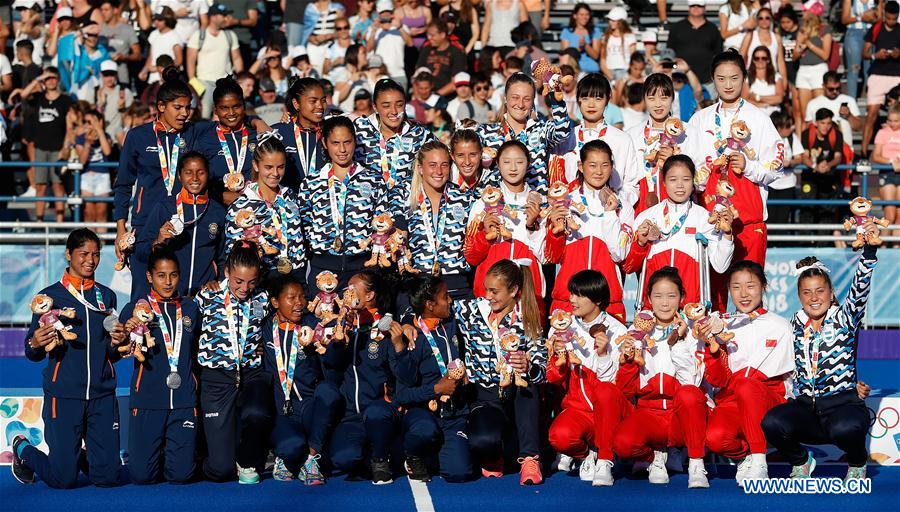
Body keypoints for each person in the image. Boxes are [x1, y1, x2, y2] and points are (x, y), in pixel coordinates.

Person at [12, 229, 125, 489]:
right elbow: (32, 352)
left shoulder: (107, 296)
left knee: (108, 478)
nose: (91, 260)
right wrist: (35, 342)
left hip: (101, 395)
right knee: (63, 479)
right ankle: (23, 449)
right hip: (64, 395)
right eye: (83, 254)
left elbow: (110, 353)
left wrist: (117, 344)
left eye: (96, 254)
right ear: (68, 254)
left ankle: (82, 458)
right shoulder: (48, 298)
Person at [762, 244, 879, 481]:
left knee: (845, 429)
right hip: (807, 410)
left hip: (843, 407)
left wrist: (869, 253)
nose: (814, 298)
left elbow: (860, 290)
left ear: (831, 292)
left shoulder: (845, 318)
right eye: (807, 292)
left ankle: (857, 462)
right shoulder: (793, 324)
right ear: (799, 296)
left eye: (820, 291)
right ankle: (801, 461)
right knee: (772, 422)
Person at [689, 49, 784, 310]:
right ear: (713, 79)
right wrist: (702, 175)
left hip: (748, 222)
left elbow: (777, 168)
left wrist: (749, 166)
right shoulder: (699, 120)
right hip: (711, 220)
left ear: (744, 78)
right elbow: (688, 170)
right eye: (721, 79)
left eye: (734, 78)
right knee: (712, 298)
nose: (728, 85)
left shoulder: (759, 119)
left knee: (749, 294)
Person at [611, 267, 710, 488]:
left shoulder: (693, 331)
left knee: (689, 394)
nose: (665, 303)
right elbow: (626, 388)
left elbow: (691, 384)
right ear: (648, 298)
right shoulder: (637, 331)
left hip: (681, 417)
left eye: (671, 296)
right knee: (623, 443)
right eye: (658, 296)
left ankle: (695, 462)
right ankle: (653, 455)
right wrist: (627, 360)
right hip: (650, 414)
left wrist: (679, 341)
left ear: (682, 298)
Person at [455, 259, 547, 485]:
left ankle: (529, 458)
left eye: (494, 291)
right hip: (485, 395)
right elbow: (439, 308)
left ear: (513, 290)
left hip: (517, 396)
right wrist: (407, 321)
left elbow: (542, 370)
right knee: (483, 441)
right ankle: (496, 451)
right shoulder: (471, 310)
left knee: (528, 387)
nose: (488, 296)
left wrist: (529, 367)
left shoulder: (528, 317)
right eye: (486, 289)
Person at [704, 260, 795, 485]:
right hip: (733, 401)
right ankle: (744, 457)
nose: (743, 294)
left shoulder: (781, 326)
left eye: (750, 286)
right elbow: (718, 379)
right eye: (736, 287)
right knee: (715, 439)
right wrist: (712, 349)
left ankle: (759, 461)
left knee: (747, 385)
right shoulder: (721, 326)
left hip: (769, 399)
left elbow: (794, 373)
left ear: (763, 286)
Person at [120, 248, 201, 485]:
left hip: (183, 401)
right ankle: (157, 453)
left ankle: (172, 454)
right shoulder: (135, 310)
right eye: (161, 275)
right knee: (142, 477)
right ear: (149, 277)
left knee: (182, 476)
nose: (168, 282)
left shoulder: (190, 308)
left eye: (173, 275)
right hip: (148, 400)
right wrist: (124, 334)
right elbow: (119, 348)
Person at [115, 69, 197, 301]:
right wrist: (121, 228)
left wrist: (257, 121)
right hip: (145, 224)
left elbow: (228, 124)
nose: (184, 114)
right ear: (161, 106)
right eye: (178, 108)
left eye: (187, 108)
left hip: (182, 224)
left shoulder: (193, 133)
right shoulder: (138, 136)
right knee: (143, 296)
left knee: (179, 294)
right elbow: (123, 184)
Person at [195, 240, 272, 483]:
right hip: (217, 379)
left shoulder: (263, 298)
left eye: (251, 281)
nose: (245, 288)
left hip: (251, 374)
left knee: (257, 413)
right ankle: (202, 457)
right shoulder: (207, 295)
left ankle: (248, 460)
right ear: (227, 271)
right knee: (220, 470)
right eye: (238, 281)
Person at [545, 269, 628, 486]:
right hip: (579, 409)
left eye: (579, 295)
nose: (572, 299)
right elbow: (553, 378)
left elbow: (613, 385)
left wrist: (603, 355)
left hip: (609, 411)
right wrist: (558, 360)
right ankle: (587, 454)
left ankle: (605, 458)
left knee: (605, 393)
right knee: (560, 437)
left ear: (598, 299)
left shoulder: (617, 330)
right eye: (572, 293)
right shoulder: (561, 328)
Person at [389, 275, 473, 482]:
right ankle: (411, 452)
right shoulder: (411, 339)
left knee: (459, 473)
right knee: (424, 431)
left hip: (453, 414)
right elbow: (401, 396)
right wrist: (436, 389)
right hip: (423, 413)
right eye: (445, 297)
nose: (451, 300)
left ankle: (434, 455)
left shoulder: (451, 322)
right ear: (430, 305)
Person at [623, 155, 734, 308]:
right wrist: (641, 243)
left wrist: (727, 235)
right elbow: (630, 267)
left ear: (693, 182)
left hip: (691, 307)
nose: (680, 185)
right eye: (673, 179)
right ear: (663, 182)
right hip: (655, 308)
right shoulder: (646, 216)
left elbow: (720, 266)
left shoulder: (704, 218)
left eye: (686, 179)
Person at [263, 274, 342, 484]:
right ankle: (286, 456)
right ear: (275, 302)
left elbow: (333, 361)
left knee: (329, 391)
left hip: (309, 407)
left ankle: (311, 458)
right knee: (292, 447)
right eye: (291, 298)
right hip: (281, 410)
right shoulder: (265, 328)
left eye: (302, 297)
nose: (299, 303)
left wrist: (333, 344)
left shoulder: (314, 325)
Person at [544, 140, 634, 323]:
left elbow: (619, 254)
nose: (599, 171)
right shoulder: (564, 202)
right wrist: (555, 232)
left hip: (607, 302)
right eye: (592, 165)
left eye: (605, 165)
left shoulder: (623, 207)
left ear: (612, 167)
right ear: (581, 166)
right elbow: (552, 257)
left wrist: (610, 214)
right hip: (568, 300)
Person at [325, 270, 399, 485]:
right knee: (343, 459)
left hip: (379, 409)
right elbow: (331, 365)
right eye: (346, 289)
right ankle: (369, 451)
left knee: (377, 413)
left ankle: (380, 458)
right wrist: (339, 339)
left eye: (352, 289)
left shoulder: (385, 326)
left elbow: (398, 371)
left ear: (369, 295)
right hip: (351, 415)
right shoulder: (344, 325)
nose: (347, 293)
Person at [298, 116, 386, 292]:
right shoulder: (311, 183)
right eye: (335, 143)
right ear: (325, 143)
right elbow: (305, 224)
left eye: (347, 142)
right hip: (323, 269)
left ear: (355, 142)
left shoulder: (373, 180)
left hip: (363, 268)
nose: (342, 149)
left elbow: (381, 221)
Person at [465, 140, 548, 310]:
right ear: (497, 164)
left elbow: (545, 257)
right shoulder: (482, 204)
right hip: (490, 294)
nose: (513, 168)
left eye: (519, 162)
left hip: (528, 293)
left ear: (528, 164)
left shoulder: (540, 204)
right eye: (507, 162)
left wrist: (532, 227)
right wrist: (485, 236)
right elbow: (471, 257)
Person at [137, 152, 226, 298]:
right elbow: (140, 253)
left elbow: (222, 257)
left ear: (208, 174)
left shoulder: (218, 212)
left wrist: (219, 281)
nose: (195, 178)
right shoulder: (165, 207)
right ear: (179, 176)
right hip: (172, 297)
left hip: (205, 296)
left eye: (201, 172)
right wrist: (158, 241)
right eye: (188, 173)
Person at [224, 133, 306, 278]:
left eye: (280, 167)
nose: (275, 173)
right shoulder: (240, 206)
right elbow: (233, 256)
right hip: (264, 278)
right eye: (268, 167)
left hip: (297, 275)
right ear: (256, 165)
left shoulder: (291, 196)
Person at [555, 73, 642, 209]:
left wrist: (615, 201)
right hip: (573, 211)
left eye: (598, 98)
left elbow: (631, 185)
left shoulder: (622, 139)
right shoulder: (566, 137)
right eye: (585, 98)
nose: (591, 104)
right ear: (578, 99)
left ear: (608, 99)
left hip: (611, 212)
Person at [401, 140, 475, 297]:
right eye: (432, 165)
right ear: (420, 168)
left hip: (457, 286)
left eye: (444, 165)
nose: (439, 171)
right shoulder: (405, 198)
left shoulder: (465, 198)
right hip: (420, 288)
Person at [477, 73, 570, 195]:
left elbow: (562, 132)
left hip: (536, 202)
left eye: (527, 99)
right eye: (515, 97)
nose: (520, 105)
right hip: (497, 204)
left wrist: (556, 98)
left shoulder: (541, 130)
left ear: (533, 102)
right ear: (505, 98)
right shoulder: (485, 132)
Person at [628, 73, 706, 216]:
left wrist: (675, 162)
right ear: (644, 99)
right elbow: (628, 181)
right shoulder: (632, 135)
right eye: (651, 98)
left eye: (664, 97)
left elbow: (702, 176)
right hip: (644, 206)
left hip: (681, 207)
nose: (658, 104)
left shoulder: (689, 132)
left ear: (672, 98)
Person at [354, 78, 435, 211]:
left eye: (399, 104)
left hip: (405, 210)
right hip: (365, 208)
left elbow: (443, 158)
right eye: (386, 106)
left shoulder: (419, 134)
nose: (394, 111)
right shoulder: (359, 129)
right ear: (375, 107)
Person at [18, 67, 74, 223]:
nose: (50, 81)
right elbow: (23, 95)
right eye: (47, 78)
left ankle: (60, 221)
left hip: (58, 149)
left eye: (53, 77)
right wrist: (39, 78)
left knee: (58, 185)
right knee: (40, 186)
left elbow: (70, 127)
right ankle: (39, 221)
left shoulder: (66, 100)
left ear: (58, 79)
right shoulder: (39, 97)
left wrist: (65, 147)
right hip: (40, 148)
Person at [186, 3, 243, 120]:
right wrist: (193, 82)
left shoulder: (230, 35)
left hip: (226, 83)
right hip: (204, 83)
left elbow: (237, 58)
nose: (226, 18)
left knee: (227, 115)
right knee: (205, 116)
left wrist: (240, 79)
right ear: (213, 17)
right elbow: (190, 60)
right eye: (223, 15)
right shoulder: (198, 35)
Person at [271, 77, 327, 190]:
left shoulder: (330, 131)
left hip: (323, 198)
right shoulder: (278, 133)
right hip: (288, 199)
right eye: (313, 101)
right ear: (296, 104)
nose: (320, 106)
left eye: (323, 100)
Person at [861, 0, 900, 156]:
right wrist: (875, 55)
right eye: (889, 18)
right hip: (877, 75)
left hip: (896, 76)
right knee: (871, 114)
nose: (891, 21)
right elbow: (864, 53)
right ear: (884, 15)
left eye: (894, 19)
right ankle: (863, 153)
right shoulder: (876, 28)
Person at [667, 0, 723, 99]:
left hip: (707, 82)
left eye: (699, 5)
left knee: (708, 109)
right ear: (688, 7)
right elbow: (669, 53)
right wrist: (674, 69)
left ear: (704, 8)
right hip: (681, 83)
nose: (696, 8)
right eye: (693, 5)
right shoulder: (677, 27)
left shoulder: (712, 28)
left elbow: (719, 55)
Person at [794, 8, 832, 127]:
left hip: (819, 70)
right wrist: (800, 44)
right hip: (803, 71)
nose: (802, 14)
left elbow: (825, 55)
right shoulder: (802, 30)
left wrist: (809, 44)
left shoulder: (824, 29)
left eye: (805, 11)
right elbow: (794, 56)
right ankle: (806, 138)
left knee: (820, 112)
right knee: (805, 115)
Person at [75, 110, 113, 226]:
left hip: (103, 176)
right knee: (88, 212)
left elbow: (107, 151)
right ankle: (89, 237)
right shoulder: (80, 138)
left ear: (99, 122)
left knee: (101, 212)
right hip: (86, 176)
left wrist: (99, 131)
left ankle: (102, 237)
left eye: (90, 122)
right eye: (85, 121)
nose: (87, 125)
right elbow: (82, 161)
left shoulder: (106, 136)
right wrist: (87, 143)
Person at [804, 71, 863, 144]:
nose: (835, 92)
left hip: (845, 147)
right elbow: (808, 130)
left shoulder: (849, 100)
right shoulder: (813, 104)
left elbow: (858, 127)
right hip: (821, 147)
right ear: (823, 86)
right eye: (831, 89)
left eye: (838, 88)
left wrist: (849, 115)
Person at [842, 0, 882, 100]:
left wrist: (873, 17)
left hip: (872, 34)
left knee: (870, 71)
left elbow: (881, 18)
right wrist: (861, 18)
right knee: (854, 69)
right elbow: (844, 19)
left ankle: (871, 101)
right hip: (854, 33)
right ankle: (851, 102)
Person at [416, 20, 467, 96]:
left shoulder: (457, 51)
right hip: (424, 94)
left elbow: (454, 82)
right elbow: (417, 76)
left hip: (446, 96)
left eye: (432, 35)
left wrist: (435, 97)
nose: (429, 38)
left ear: (442, 35)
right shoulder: (426, 48)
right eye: (428, 35)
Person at [873, 102, 900, 241]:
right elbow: (876, 156)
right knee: (890, 214)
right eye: (890, 120)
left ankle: (896, 247)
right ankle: (883, 246)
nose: (892, 124)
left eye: (896, 121)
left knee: (899, 217)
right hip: (887, 173)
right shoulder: (883, 132)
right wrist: (891, 161)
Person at [98, 0, 141, 86]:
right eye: (101, 10)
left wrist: (124, 57)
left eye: (106, 10)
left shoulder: (127, 29)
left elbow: (138, 55)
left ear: (115, 10)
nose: (103, 13)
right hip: (102, 79)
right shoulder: (98, 30)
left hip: (121, 78)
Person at [740, 7, 788, 80]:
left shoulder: (777, 38)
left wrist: (784, 80)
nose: (764, 20)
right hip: (752, 77)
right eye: (761, 18)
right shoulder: (750, 36)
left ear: (771, 20)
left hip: (772, 78)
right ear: (757, 20)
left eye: (767, 18)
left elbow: (780, 62)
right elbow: (740, 58)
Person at [140, 7, 183, 85]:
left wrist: (161, 69)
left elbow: (179, 60)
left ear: (168, 20)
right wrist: (144, 70)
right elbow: (151, 56)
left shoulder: (174, 37)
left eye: (160, 20)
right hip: (153, 79)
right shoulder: (153, 34)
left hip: (168, 79)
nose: (156, 22)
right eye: (155, 19)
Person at [303, 0, 345, 73]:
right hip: (314, 47)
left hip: (330, 46)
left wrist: (329, 36)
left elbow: (341, 30)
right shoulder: (310, 8)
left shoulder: (338, 8)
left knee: (328, 73)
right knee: (314, 73)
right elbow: (306, 31)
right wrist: (312, 38)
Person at [559, 3, 602, 74]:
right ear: (575, 16)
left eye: (587, 14)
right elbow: (567, 56)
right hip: (574, 70)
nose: (584, 17)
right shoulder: (566, 32)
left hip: (592, 70)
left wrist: (585, 45)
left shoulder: (595, 31)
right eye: (581, 14)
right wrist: (579, 48)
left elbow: (596, 56)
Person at [743, 46, 786, 116]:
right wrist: (763, 104)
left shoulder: (777, 77)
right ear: (753, 60)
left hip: (773, 115)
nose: (760, 61)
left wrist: (757, 97)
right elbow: (744, 100)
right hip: (754, 114)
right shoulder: (747, 78)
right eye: (757, 58)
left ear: (768, 60)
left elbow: (779, 99)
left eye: (764, 58)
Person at [600, 7, 636, 83]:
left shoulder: (629, 37)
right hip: (609, 72)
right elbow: (603, 60)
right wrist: (611, 78)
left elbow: (633, 58)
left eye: (613, 20)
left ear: (621, 22)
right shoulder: (605, 37)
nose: (610, 22)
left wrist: (625, 77)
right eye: (609, 20)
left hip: (625, 72)